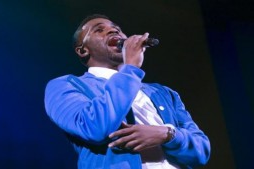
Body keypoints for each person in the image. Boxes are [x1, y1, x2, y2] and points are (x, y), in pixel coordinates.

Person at [44, 14, 210, 169]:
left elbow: (201, 152)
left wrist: (167, 134)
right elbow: (94, 128)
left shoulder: (164, 93)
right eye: (99, 30)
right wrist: (130, 69)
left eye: (117, 28)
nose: (113, 30)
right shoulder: (65, 85)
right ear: (83, 50)